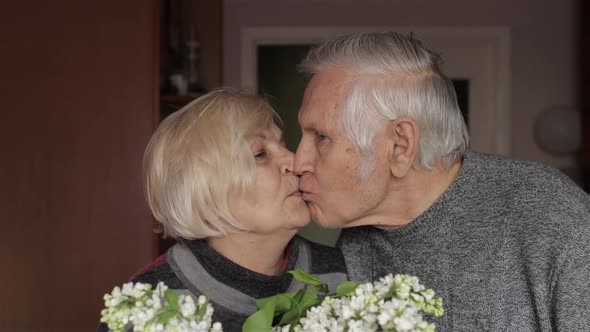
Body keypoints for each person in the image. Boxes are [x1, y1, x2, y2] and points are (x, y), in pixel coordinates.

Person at [293, 31, 590, 331]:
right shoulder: (354, 243)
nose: (298, 162)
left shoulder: (552, 216)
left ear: (400, 146)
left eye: (321, 137)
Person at [98, 89, 347, 332]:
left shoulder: (341, 274)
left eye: (283, 144)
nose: (294, 161)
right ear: (204, 200)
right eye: (260, 154)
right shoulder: (147, 307)